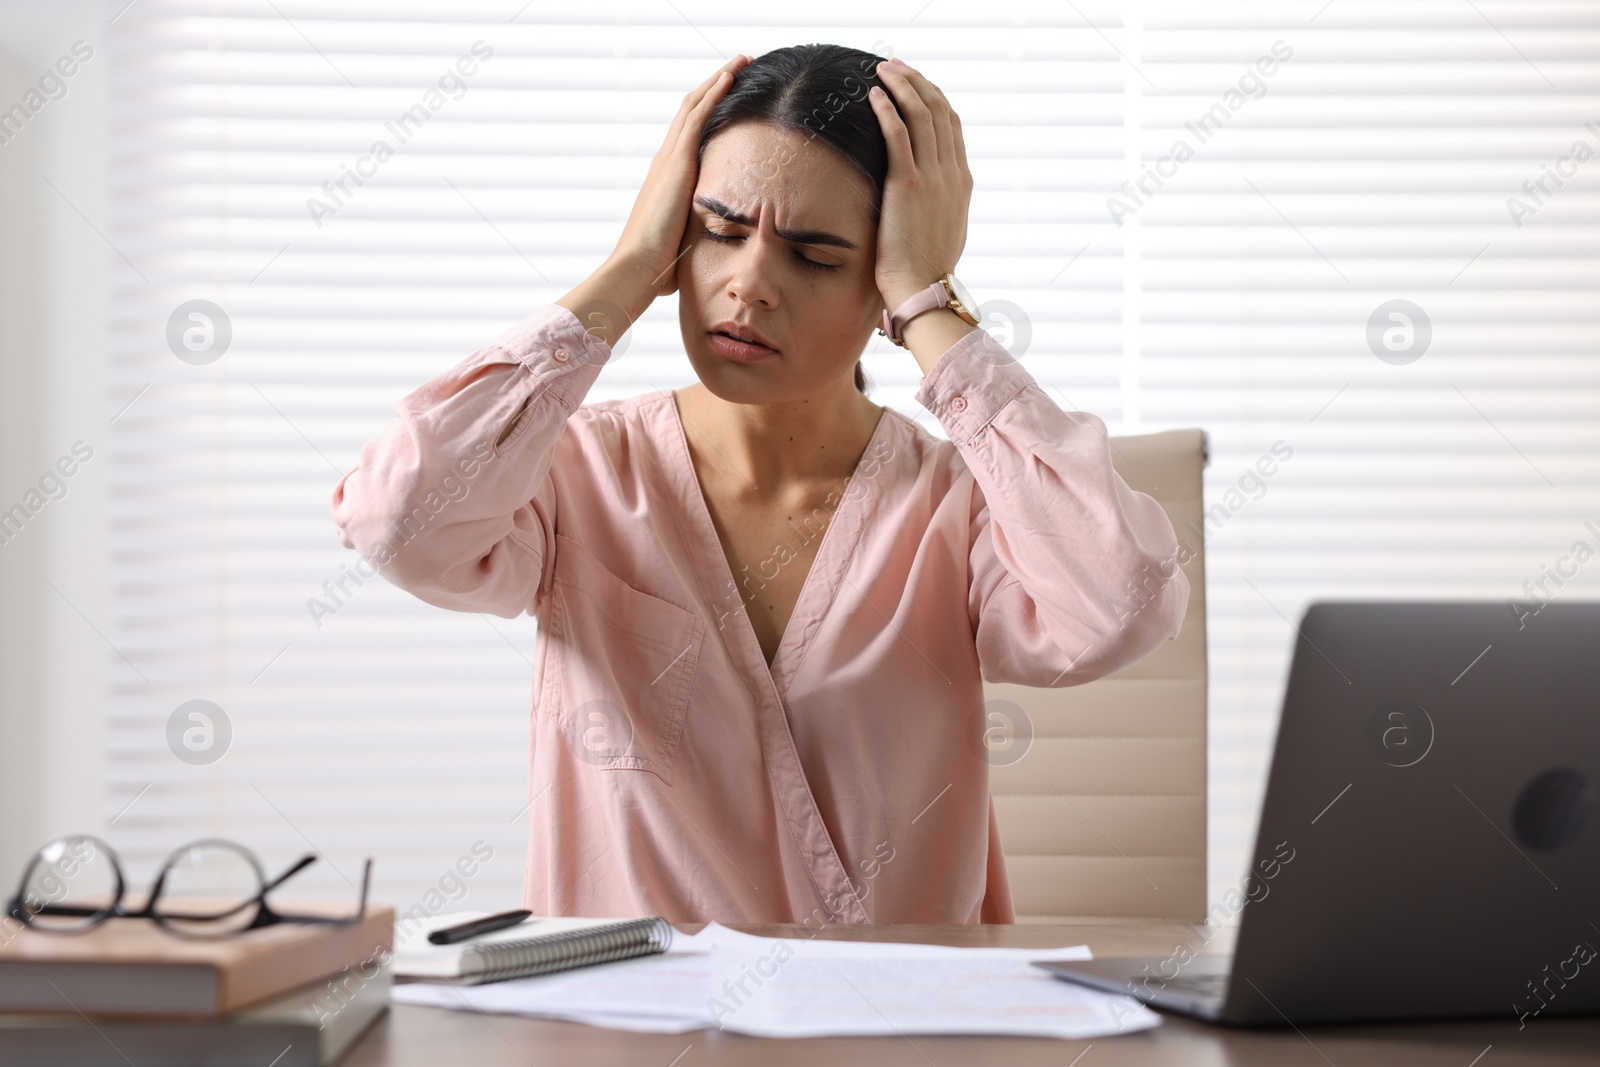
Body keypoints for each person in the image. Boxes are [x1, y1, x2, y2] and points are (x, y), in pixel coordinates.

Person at [329, 44, 1189, 926]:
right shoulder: (573, 473)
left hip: (902, 1036)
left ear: (880, 286)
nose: (748, 284)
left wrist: (932, 304)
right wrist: (627, 272)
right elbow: (397, 521)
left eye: (815, 256)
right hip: (628, 1038)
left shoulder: (958, 507)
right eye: (719, 230)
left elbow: (1119, 601)